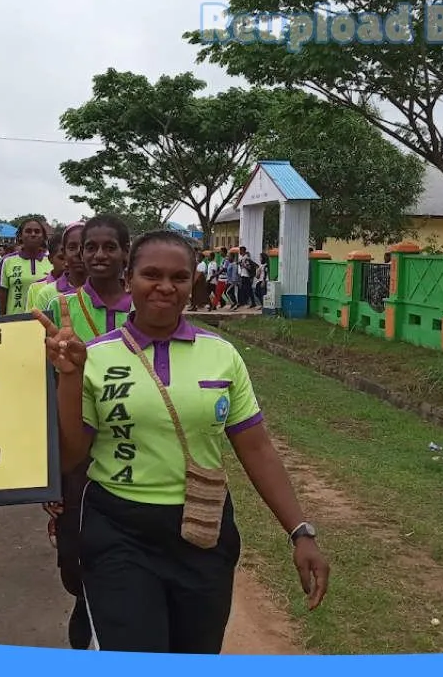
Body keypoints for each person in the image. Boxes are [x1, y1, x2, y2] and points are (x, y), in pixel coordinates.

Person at [38, 229, 330, 654]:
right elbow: (70, 455)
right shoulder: (95, 356)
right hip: (119, 531)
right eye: (151, 274)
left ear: (194, 281)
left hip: (203, 533)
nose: (164, 287)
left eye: (178, 277)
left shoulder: (222, 355)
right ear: (128, 280)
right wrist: (69, 377)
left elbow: (257, 448)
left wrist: (300, 532)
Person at [40, 213, 131, 651]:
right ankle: (84, 602)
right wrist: (49, 470)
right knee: (73, 560)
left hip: (130, 446)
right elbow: (36, 386)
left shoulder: (143, 305)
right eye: (87, 247)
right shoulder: (57, 306)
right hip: (75, 451)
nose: (97, 255)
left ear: (124, 254)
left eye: (108, 247)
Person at [0, 218, 49, 314]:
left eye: (37, 232)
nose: (33, 234)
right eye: (28, 231)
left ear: (43, 237)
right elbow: (1, 296)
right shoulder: (7, 261)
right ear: (20, 236)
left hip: (45, 322)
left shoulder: (51, 261)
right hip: (15, 323)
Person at [30, 221, 86, 314]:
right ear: (64, 253)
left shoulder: (106, 291)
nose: (78, 253)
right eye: (72, 247)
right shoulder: (46, 294)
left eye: (85, 247)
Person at [26, 232, 68, 312]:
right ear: (50, 259)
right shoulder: (35, 288)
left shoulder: (82, 287)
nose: (66, 263)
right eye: (61, 258)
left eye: (69, 257)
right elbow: (31, 321)